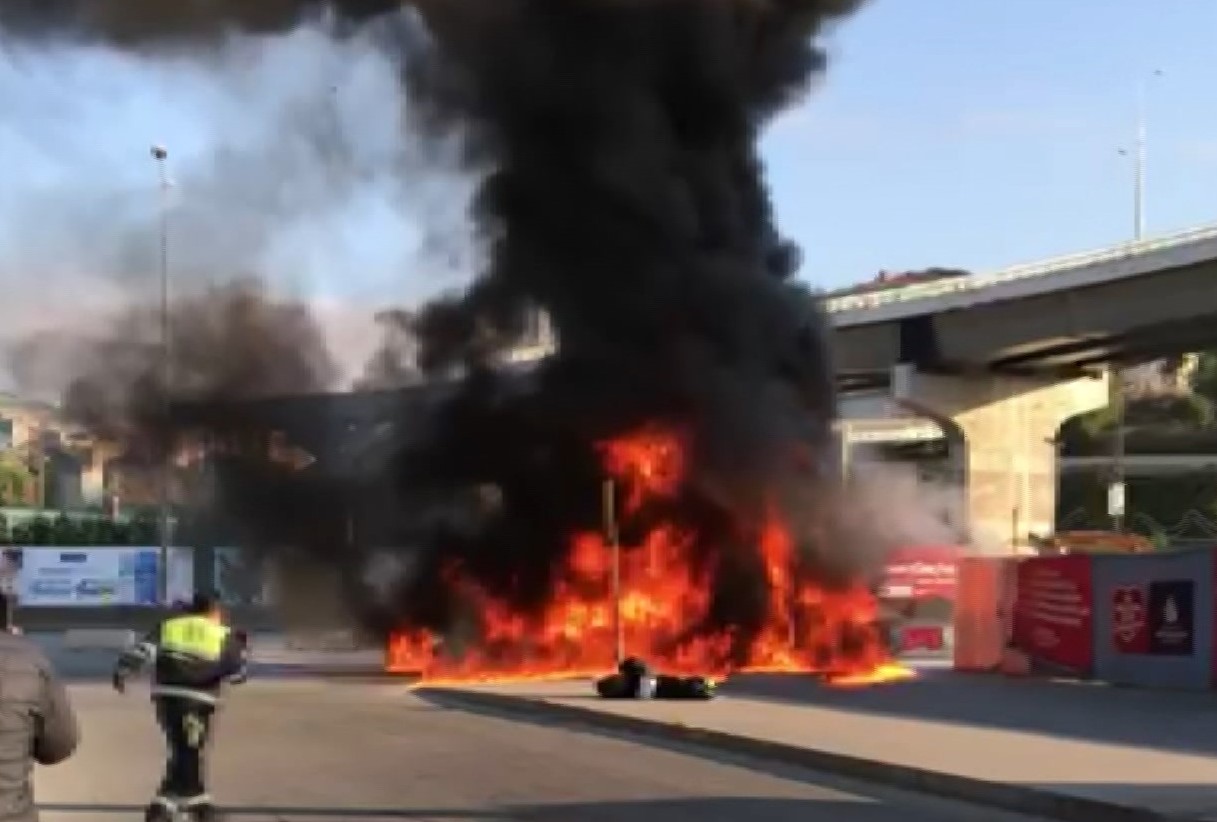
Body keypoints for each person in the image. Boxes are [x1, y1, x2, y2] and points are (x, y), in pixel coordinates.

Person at [112, 592, 248, 822]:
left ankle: (196, 802)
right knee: (189, 751)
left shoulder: (169, 626)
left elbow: (142, 651)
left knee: (183, 749)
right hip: (198, 700)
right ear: (215, 611)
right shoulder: (224, 633)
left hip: (166, 698)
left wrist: (123, 672)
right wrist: (237, 654)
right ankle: (168, 805)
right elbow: (238, 675)